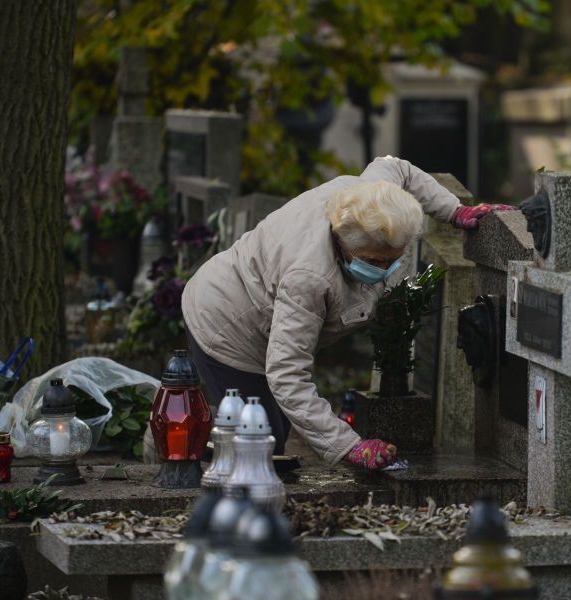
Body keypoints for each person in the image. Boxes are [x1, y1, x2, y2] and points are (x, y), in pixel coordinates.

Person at [182, 156, 512, 471]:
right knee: (261, 441)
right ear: (343, 240)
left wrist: (454, 211)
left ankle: (198, 427)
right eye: (374, 261)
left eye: (392, 259)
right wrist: (348, 445)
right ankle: (181, 442)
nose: (385, 270)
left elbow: (397, 167)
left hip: (256, 310)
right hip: (225, 323)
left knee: (272, 428)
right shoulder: (309, 277)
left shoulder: (370, 195)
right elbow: (286, 376)